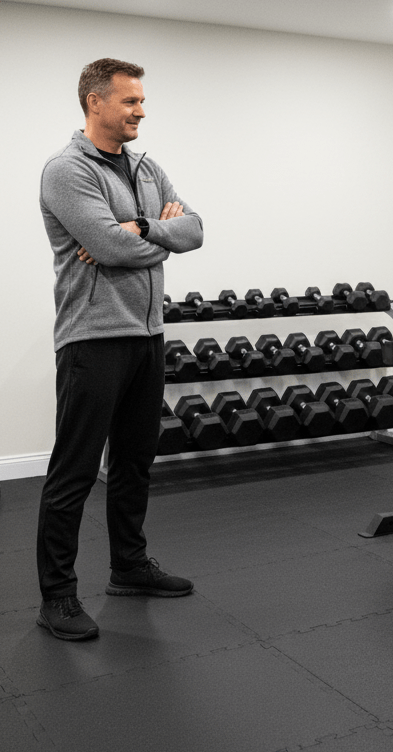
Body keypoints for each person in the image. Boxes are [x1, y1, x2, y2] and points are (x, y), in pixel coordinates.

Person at [37, 58, 204, 641]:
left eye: (141, 102)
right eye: (130, 101)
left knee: (135, 461)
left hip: (148, 335)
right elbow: (110, 249)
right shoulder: (66, 171)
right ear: (95, 102)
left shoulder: (146, 165)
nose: (140, 111)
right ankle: (57, 595)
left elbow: (196, 230)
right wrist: (141, 234)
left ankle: (128, 566)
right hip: (93, 338)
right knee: (76, 470)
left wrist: (139, 229)